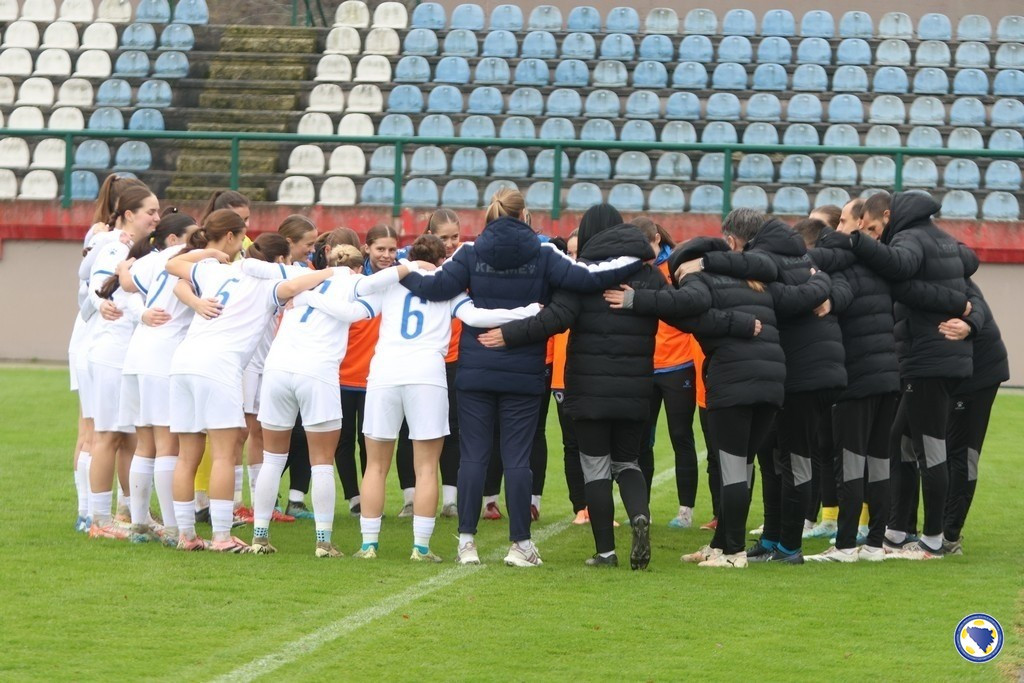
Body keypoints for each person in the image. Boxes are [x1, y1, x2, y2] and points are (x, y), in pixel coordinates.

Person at [399, 189, 644, 567]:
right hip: (524, 368)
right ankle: (520, 545)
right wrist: (635, 257)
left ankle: (467, 543)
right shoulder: (543, 253)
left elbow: (435, 287)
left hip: (476, 367)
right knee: (517, 458)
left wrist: (400, 270)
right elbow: (588, 277)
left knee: (473, 457)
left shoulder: (470, 252)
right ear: (524, 214)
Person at [484, 216, 677, 569]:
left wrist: (509, 334)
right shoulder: (649, 276)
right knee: (628, 462)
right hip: (635, 388)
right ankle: (639, 515)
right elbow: (679, 307)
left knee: (595, 467)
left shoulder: (581, 275)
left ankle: (606, 552)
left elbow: (554, 318)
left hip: (588, 390)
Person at [354, 234, 540, 562]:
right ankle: (420, 547)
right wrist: (526, 312)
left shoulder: (392, 280)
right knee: (427, 467)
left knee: (376, 465)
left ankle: (369, 545)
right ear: (443, 260)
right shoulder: (449, 286)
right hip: (427, 373)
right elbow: (477, 318)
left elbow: (359, 295)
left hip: (384, 371)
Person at [609, 236, 783, 569]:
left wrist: (636, 299)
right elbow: (696, 319)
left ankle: (733, 553)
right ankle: (721, 545)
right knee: (742, 467)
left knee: (733, 470)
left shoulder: (699, 279)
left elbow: (688, 305)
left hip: (734, 382)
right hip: (772, 381)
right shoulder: (754, 282)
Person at [165, 214, 334, 553]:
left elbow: (173, 265)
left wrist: (210, 255)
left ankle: (186, 535)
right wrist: (334, 272)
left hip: (183, 362)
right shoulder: (269, 282)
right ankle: (221, 536)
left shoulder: (217, 271)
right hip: (219, 365)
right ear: (280, 259)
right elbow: (296, 286)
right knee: (225, 453)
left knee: (187, 454)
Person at [698, 210, 845, 565]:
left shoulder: (765, 260)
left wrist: (822, 288)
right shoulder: (800, 256)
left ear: (734, 241)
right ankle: (772, 539)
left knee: (794, 459)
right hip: (798, 370)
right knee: (773, 457)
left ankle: (790, 547)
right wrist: (821, 285)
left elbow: (778, 299)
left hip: (803, 373)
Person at [848, 191, 977, 559]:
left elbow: (900, 267)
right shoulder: (940, 238)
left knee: (930, 448)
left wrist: (856, 242)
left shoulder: (911, 238)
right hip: (937, 358)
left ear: (888, 216)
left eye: (873, 229)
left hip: (929, 360)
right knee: (899, 439)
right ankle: (898, 530)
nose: (873, 237)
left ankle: (933, 540)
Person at [247, 244, 367, 557]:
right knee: (322, 461)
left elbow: (251, 266)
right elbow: (362, 309)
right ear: (357, 267)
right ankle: (323, 542)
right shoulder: (355, 282)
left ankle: (260, 536)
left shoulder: (303, 278)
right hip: (317, 371)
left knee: (272, 458)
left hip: (277, 368)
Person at [885, 265, 1007, 554]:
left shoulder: (941, 268)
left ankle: (948, 536)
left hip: (977, 373)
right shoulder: (904, 268)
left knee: (960, 453)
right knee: (902, 438)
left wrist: (971, 324)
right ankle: (902, 530)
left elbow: (975, 304)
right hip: (935, 368)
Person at [801, 208, 900, 563]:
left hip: (857, 378)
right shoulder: (882, 264)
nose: (839, 227)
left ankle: (844, 546)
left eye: (843, 221)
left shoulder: (840, 261)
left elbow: (837, 290)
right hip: (888, 376)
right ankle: (874, 544)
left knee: (852, 464)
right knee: (880, 463)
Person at [117, 210, 204, 544]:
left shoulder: (155, 258)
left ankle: (139, 523)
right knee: (168, 445)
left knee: (145, 444)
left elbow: (126, 285)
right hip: (164, 356)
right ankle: (171, 527)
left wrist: (125, 268)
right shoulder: (194, 259)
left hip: (137, 354)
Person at [85, 183, 162, 540]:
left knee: (131, 437)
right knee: (108, 436)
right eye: (151, 211)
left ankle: (134, 512)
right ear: (129, 214)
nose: (157, 218)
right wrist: (102, 303)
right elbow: (97, 283)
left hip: (129, 354)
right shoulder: (116, 247)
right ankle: (99, 520)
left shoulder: (142, 251)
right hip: (111, 353)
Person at [633, 217, 699, 529]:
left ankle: (686, 510)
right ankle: (641, 509)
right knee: (641, 440)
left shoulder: (678, 265)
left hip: (678, 363)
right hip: (645, 365)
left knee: (681, 435)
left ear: (656, 239)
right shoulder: (634, 269)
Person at [335, 225, 398, 516]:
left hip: (378, 376)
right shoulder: (352, 279)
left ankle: (370, 497)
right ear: (367, 248)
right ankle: (354, 497)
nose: (386, 255)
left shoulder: (402, 277)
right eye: (380, 249)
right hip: (344, 374)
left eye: (392, 249)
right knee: (344, 439)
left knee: (370, 439)